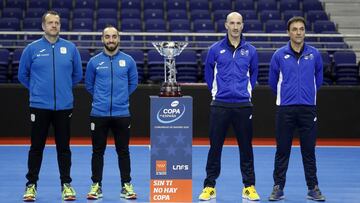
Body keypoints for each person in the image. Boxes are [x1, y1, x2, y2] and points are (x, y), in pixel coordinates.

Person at [18, 10, 83, 201]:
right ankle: (31, 186)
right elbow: (23, 75)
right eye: (51, 23)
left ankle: (66, 185)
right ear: (43, 26)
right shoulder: (32, 49)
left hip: (64, 107)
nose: (54, 25)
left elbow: (77, 75)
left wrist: (62, 89)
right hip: (39, 106)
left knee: (64, 148)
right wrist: (37, 90)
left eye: (57, 23)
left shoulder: (70, 48)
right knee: (36, 147)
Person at [198, 12, 260, 201]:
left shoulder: (251, 51)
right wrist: (218, 93)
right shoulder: (215, 50)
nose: (235, 27)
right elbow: (209, 76)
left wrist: (245, 93)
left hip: (243, 105)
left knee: (246, 148)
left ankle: (249, 187)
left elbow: (254, 74)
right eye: (232, 23)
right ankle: (209, 186)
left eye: (238, 23)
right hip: (220, 105)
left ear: (242, 26)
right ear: (226, 25)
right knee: (215, 147)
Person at [268, 16, 326, 202]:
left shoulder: (314, 54)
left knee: (308, 150)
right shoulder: (279, 55)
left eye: (301, 29)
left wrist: (307, 94)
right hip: (285, 109)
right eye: (294, 29)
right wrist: (287, 95)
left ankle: (313, 187)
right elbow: (272, 81)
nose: (298, 32)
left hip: (308, 109)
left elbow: (319, 78)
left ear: (305, 32)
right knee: (282, 150)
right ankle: (278, 188)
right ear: (288, 32)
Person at [84, 25, 138, 200]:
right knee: (97, 151)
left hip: (122, 113)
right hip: (99, 113)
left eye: (114, 36)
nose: (111, 40)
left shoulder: (129, 61)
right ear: (102, 39)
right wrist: (102, 99)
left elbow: (133, 84)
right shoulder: (94, 62)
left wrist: (119, 99)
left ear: (118, 39)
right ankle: (96, 186)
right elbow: (89, 85)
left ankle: (126, 186)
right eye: (107, 37)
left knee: (123, 151)